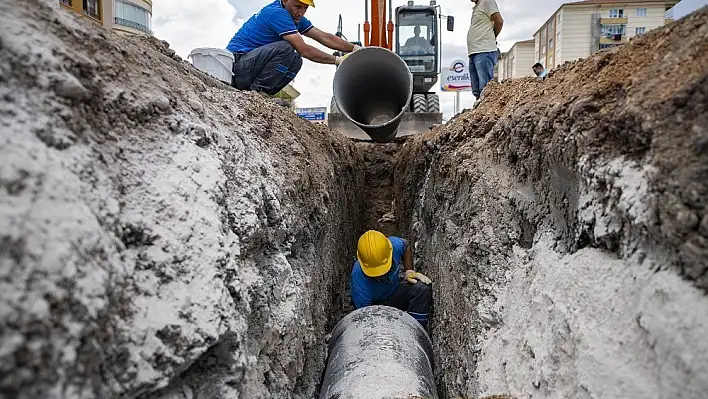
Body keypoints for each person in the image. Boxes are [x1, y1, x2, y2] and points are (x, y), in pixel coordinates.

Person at [226, 0, 360, 96]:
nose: (300, 13)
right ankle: (257, 93)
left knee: (296, 60)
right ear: (285, 1)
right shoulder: (277, 14)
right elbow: (305, 50)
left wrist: (354, 48)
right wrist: (338, 60)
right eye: (297, 6)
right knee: (286, 48)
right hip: (237, 66)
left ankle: (264, 94)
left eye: (304, 8)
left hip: (251, 66)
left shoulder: (295, 18)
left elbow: (324, 37)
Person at [350, 230, 433, 329]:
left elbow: (406, 245)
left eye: (383, 270)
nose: (380, 275)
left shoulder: (394, 246)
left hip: (395, 291)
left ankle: (415, 330)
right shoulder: (358, 279)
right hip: (375, 306)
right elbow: (364, 317)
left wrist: (409, 271)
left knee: (422, 289)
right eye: (375, 273)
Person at [467, 0, 503, 101]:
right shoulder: (478, 6)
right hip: (474, 52)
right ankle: (479, 112)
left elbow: (499, 21)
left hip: (484, 50)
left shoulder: (487, 1)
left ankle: (487, 111)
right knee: (477, 90)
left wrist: (492, 36)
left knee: (485, 89)